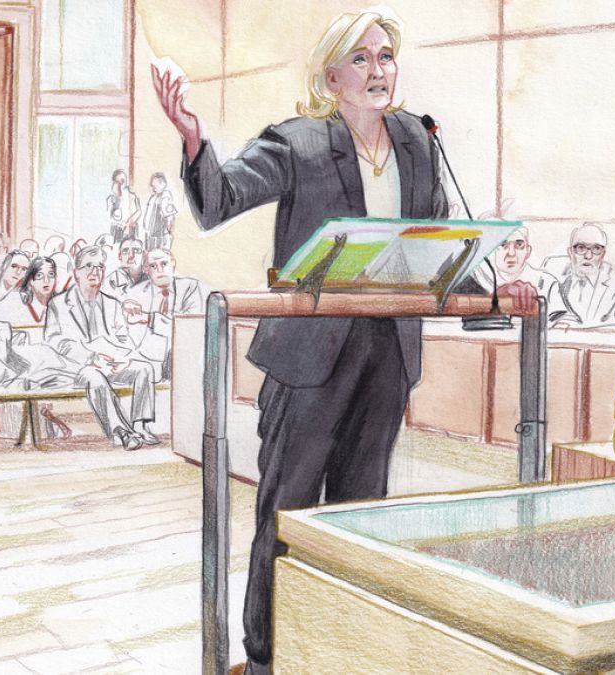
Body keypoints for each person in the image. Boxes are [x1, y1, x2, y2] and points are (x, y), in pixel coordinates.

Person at [152, 9, 537, 673]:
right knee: (288, 514)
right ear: (331, 77)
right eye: (360, 58)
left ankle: (341, 654)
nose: (378, 70)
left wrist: (497, 290)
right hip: (308, 360)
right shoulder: (298, 143)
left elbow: (439, 238)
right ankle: (268, 659)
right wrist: (192, 137)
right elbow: (217, 202)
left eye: (385, 56)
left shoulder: (417, 140)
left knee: (361, 518)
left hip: (387, 356)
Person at [44, 246, 157, 450]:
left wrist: (123, 358)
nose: (94, 271)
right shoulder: (58, 304)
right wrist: (90, 357)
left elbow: (124, 339)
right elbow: (56, 341)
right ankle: (120, 431)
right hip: (76, 367)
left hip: (110, 364)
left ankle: (140, 426)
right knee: (94, 377)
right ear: (76, 272)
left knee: (144, 368)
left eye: (99, 267)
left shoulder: (112, 304)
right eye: (88, 266)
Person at [122, 248, 206, 381]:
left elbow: (188, 328)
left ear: (173, 263)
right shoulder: (135, 292)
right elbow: (134, 339)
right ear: (145, 269)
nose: (159, 270)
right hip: (147, 360)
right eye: (153, 266)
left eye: (164, 263)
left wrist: (150, 319)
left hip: (183, 360)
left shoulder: (191, 287)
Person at [541, 222, 615, 327]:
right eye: (581, 248)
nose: (588, 256)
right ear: (570, 252)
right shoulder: (550, 270)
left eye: (596, 249)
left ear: (603, 255)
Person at [0, 255, 58, 326]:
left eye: (51, 274)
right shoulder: (16, 299)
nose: (46, 281)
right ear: (30, 281)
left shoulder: (58, 305)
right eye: (39, 275)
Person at [142, 172, 178, 251]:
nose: (153, 188)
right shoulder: (153, 197)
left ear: (162, 184)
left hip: (161, 236)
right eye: (152, 186)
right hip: (150, 234)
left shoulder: (165, 196)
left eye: (155, 186)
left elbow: (169, 217)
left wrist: (168, 232)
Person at [106, 169, 141, 242]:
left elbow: (139, 211)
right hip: (116, 229)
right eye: (117, 182)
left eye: (122, 181)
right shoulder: (111, 199)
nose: (120, 184)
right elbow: (111, 217)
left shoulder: (132, 196)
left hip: (130, 229)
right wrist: (117, 198)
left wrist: (128, 223)